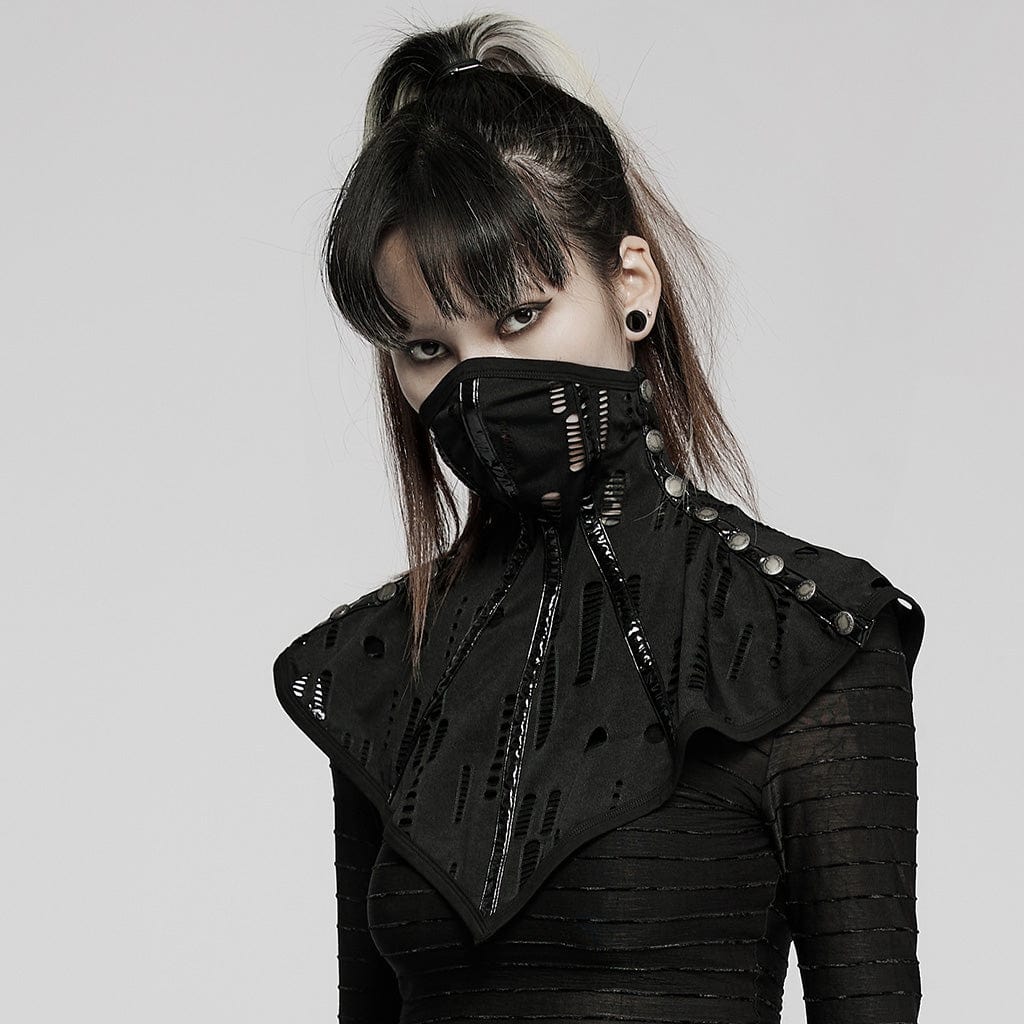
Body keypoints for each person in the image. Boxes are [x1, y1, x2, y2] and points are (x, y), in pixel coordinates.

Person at [274, 12, 925, 1023]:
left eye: (519, 315)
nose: (479, 384)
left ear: (632, 284)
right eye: (426, 348)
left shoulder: (805, 640)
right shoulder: (378, 667)